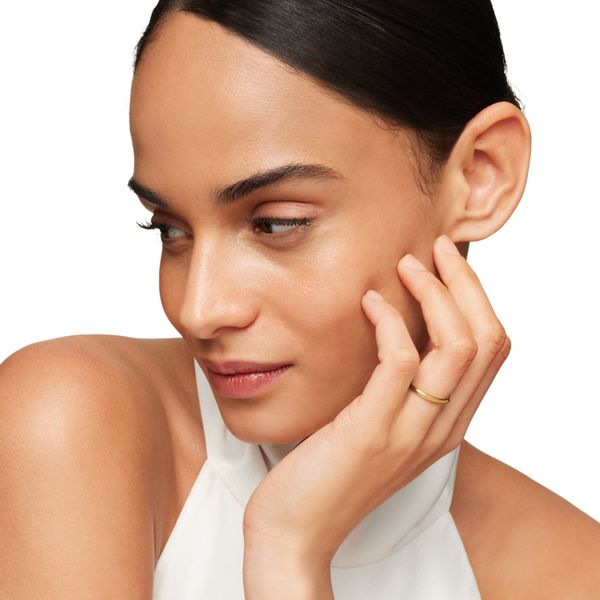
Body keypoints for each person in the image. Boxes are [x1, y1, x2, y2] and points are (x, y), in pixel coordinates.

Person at [1, 1, 599, 598]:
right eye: (170, 230)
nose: (198, 310)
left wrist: (288, 552)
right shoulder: (69, 420)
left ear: (480, 174)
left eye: (277, 223)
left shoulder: (574, 573)